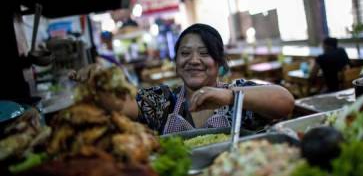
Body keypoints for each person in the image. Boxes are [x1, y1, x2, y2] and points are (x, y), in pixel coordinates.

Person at [109, 23, 293, 134]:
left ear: (219, 61)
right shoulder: (161, 101)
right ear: (176, 62)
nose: (194, 60)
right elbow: (117, 105)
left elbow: (285, 102)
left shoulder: (240, 95)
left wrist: (230, 97)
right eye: (185, 53)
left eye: (204, 53)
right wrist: (99, 81)